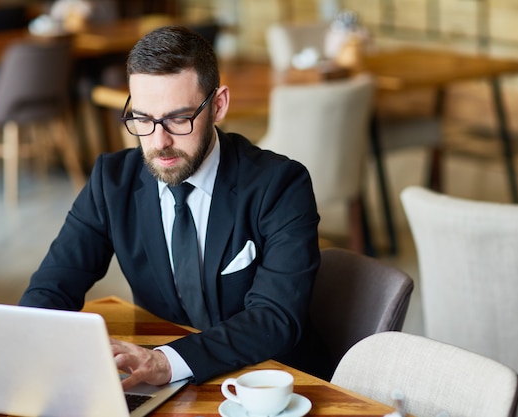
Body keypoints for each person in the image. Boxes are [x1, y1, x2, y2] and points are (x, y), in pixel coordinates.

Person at [19, 25, 322, 387]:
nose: (160, 141)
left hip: (265, 383)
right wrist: (27, 340)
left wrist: (168, 361)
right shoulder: (111, 181)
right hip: (166, 384)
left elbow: (274, 317)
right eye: (143, 119)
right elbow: (53, 286)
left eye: (179, 119)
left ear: (219, 105)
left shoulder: (281, 185)